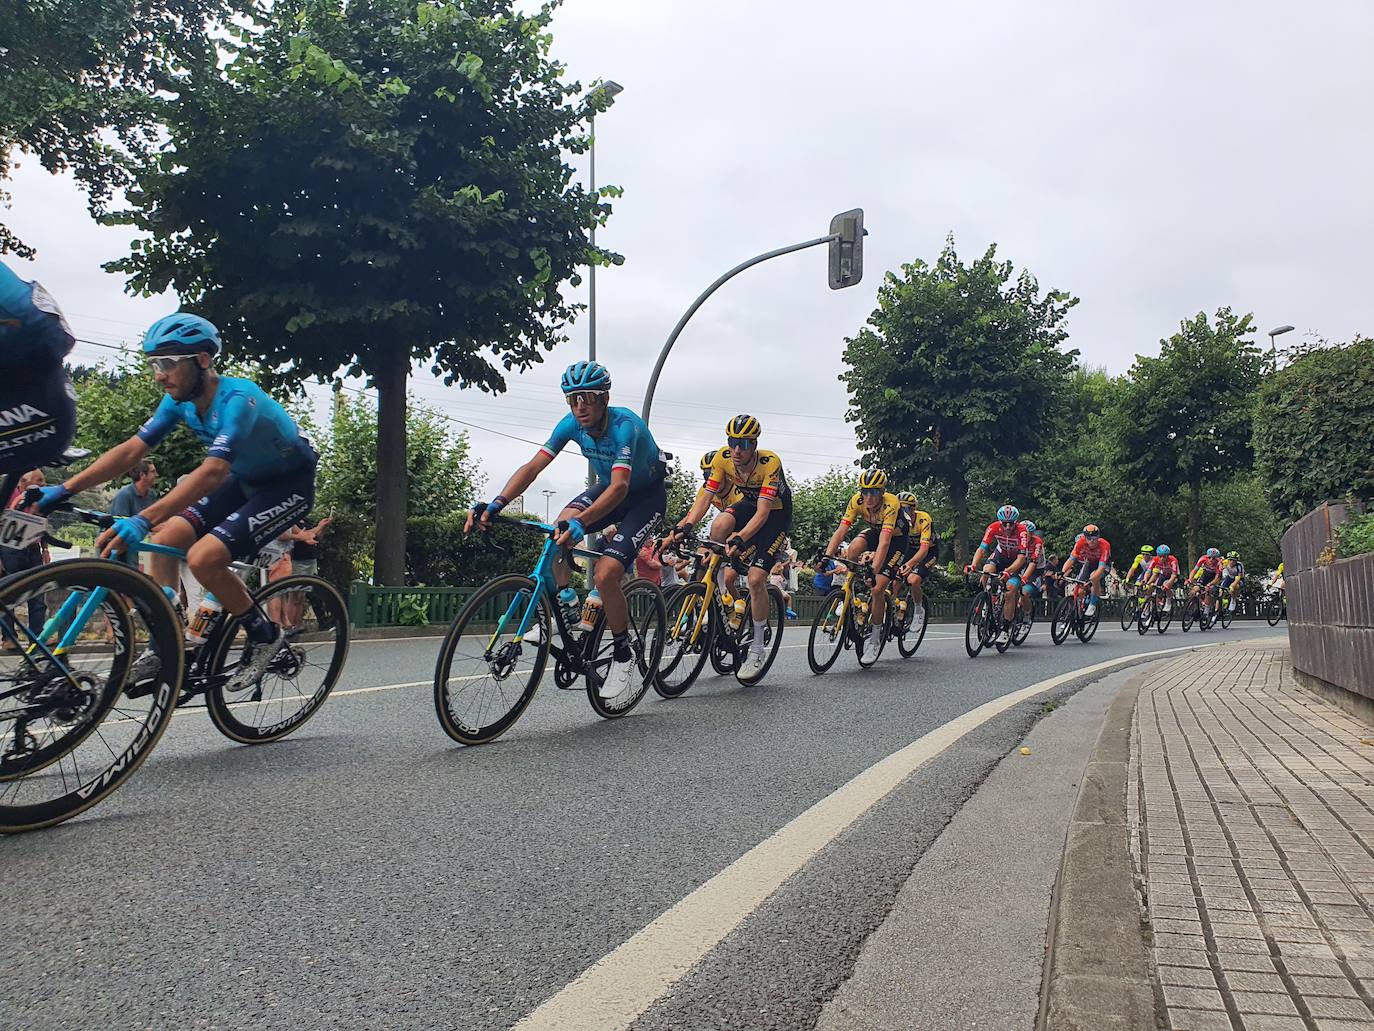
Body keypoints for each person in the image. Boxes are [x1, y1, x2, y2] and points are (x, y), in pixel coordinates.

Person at [35, 312, 319, 692]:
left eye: (167, 363)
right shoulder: (179, 402)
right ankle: (165, 645)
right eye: (154, 363)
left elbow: (213, 471)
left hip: (287, 485)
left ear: (202, 359)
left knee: (204, 557)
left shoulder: (238, 399)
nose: (158, 374)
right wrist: (65, 489)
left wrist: (143, 517)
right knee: (166, 541)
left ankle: (265, 635)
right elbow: (131, 450)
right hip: (245, 479)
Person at [467, 361, 667, 700]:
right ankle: (568, 606)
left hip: (643, 498)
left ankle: (622, 654)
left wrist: (583, 523)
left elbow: (620, 488)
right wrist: (497, 503)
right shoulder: (570, 424)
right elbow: (533, 467)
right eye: (572, 399)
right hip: (608, 489)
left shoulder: (624, 426)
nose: (580, 407)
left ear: (604, 398)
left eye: (587, 397)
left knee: (606, 574)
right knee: (557, 527)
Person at [665, 415, 792, 682]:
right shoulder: (722, 459)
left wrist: (740, 539)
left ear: (754, 444)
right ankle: (712, 586)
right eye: (733, 442)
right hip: (748, 506)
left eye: (744, 443)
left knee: (756, 579)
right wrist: (684, 526)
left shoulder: (770, 463)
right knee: (720, 523)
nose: (737, 449)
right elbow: (705, 499)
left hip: (775, 515)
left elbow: (763, 512)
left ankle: (757, 647)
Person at [821, 469, 907, 649]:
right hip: (876, 532)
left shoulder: (890, 504)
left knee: (877, 589)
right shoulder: (856, 501)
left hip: (896, 540)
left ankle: (875, 639)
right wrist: (826, 556)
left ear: (882, 492)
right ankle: (849, 591)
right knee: (852, 549)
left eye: (874, 492)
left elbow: (884, 544)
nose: (868, 497)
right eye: (865, 491)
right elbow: (841, 530)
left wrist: (873, 571)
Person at [1, 470, 53, 648]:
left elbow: (43, 523)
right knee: (9, 593)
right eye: (39, 481)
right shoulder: (8, 494)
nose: (42, 485)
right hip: (10, 550)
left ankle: (37, 637)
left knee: (38, 592)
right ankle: (9, 638)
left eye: (43, 482)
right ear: (23, 481)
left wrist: (45, 549)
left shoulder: (41, 499)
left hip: (33, 549)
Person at [967, 504, 1030, 642]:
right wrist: (973, 564)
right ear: (1000, 522)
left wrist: (1008, 572)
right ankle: (986, 600)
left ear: (1016, 522)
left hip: (1015, 563)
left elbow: (1021, 559)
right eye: (1005, 524)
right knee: (986, 571)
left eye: (1011, 524)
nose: (1008, 527)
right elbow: (982, 548)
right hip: (1000, 556)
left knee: (1010, 591)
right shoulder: (993, 527)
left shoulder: (1022, 531)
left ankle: (1006, 629)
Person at [895, 490, 938, 629]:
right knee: (895, 578)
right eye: (899, 508)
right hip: (910, 549)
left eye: (906, 508)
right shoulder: (897, 520)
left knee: (913, 580)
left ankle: (919, 610)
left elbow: (924, 549)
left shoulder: (924, 519)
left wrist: (910, 564)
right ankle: (891, 609)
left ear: (913, 509)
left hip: (928, 551)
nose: (902, 512)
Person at [1062, 524, 1111, 617]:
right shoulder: (1080, 542)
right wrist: (1062, 572)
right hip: (1089, 563)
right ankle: (1075, 613)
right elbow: (1071, 559)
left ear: (1098, 537)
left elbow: (1100, 568)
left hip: (1103, 565)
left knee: (1094, 577)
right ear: (1085, 537)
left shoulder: (1105, 545)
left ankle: (1092, 604)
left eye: (1094, 538)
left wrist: (1090, 580)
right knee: (1078, 589)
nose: (1091, 541)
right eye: (1089, 538)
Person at [1018, 520, 1046, 620]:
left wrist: (1024, 578)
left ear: (1032, 534)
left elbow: (1033, 562)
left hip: (1036, 569)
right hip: (1022, 565)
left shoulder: (1037, 542)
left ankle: (1027, 614)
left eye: (1027, 534)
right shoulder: (1017, 539)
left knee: (1024, 592)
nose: (1024, 537)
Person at [1189, 547, 1224, 618]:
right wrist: (1190, 579)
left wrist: (1210, 584)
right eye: (1209, 557)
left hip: (1214, 578)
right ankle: (1196, 607)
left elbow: (1217, 578)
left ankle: (1206, 611)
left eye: (1213, 558)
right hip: (1205, 575)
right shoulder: (1203, 558)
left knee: (1208, 591)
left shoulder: (1219, 563)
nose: (1211, 560)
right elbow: (1194, 570)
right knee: (1194, 590)